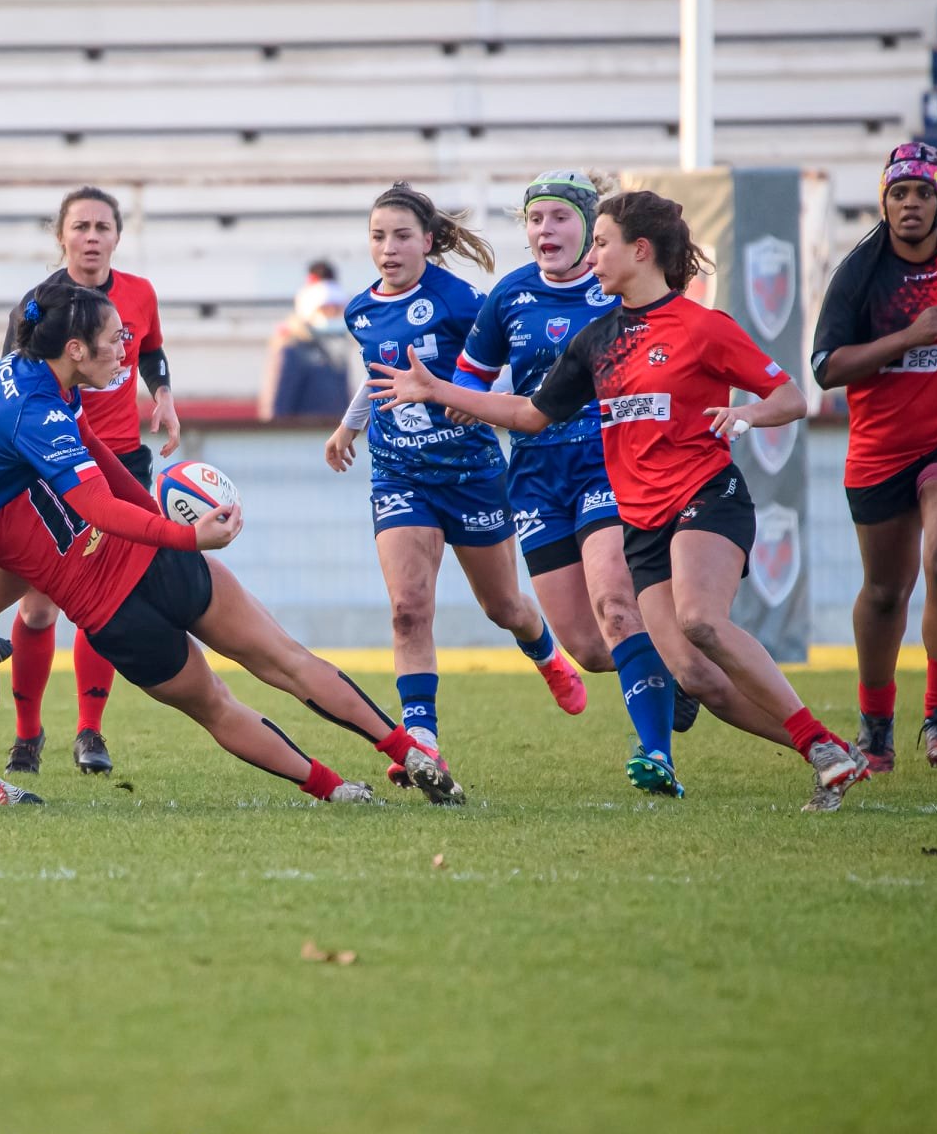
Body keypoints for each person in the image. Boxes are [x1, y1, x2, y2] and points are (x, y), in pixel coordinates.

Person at [372, 189, 870, 810]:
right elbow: (530, 415)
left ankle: (740, 749)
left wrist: (745, 417)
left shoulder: (702, 326)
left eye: (601, 243)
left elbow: (790, 397)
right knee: (694, 674)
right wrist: (437, 389)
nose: (592, 257)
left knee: (699, 621)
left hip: (706, 496)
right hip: (643, 519)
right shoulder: (596, 340)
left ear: (640, 251)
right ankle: (827, 749)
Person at [0, 282, 240, 805]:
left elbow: (95, 454)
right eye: (115, 337)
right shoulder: (36, 407)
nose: (123, 349)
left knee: (20, 575)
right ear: (74, 347)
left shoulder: (41, 376)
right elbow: (97, 506)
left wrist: (155, 518)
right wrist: (185, 536)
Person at [0, 469, 464, 807]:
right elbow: (110, 481)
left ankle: (334, 789)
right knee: (289, 660)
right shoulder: (34, 436)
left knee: (218, 707)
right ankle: (407, 750)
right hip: (158, 557)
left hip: (117, 620)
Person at [324, 181, 586, 786]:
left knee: (504, 607)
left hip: (471, 474)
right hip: (399, 472)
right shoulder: (360, 309)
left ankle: (546, 653)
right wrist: (348, 426)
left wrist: (475, 401)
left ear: (428, 241)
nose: (388, 248)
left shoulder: (464, 301)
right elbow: (381, 372)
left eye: (401, 236)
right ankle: (421, 743)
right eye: (378, 237)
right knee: (407, 609)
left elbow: (511, 368)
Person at [454, 170, 700, 796]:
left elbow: (672, 348)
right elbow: (471, 375)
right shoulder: (510, 295)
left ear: (591, 229)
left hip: (607, 464)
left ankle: (657, 755)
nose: (545, 229)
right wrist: (465, 400)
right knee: (590, 648)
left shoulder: (615, 288)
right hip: (536, 478)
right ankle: (672, 666)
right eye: (535, 218)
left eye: (560, 217)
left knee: (616, 604)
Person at [811, 141, 937, 772]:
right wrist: (907, 337)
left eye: (923, 192)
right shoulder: (860, 272)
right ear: (884, 200)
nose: (910, 204)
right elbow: (825, 368)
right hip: (881, 448)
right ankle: (876, 728)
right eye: (898, 193)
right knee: (884, 590)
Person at [0, 187, 179, 779]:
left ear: (117, 236)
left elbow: (152, 351)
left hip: (122, 461)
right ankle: (27, 735)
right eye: (81, 226)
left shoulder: (140, 293)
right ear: (61, 236)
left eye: (102, 226)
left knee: (104, 599)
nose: (92, 236)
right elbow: (12, 381)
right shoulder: (39, 305)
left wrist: (163, 397)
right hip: (55, 464)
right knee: (39, 606)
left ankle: (90, 731)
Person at [258, 277, 355, 420]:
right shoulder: (292, 349)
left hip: (332, 430)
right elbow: (278, 406)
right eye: (326, 309)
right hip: (302, 432)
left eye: (337, 310)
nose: (332, 315)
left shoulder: (339, 349)